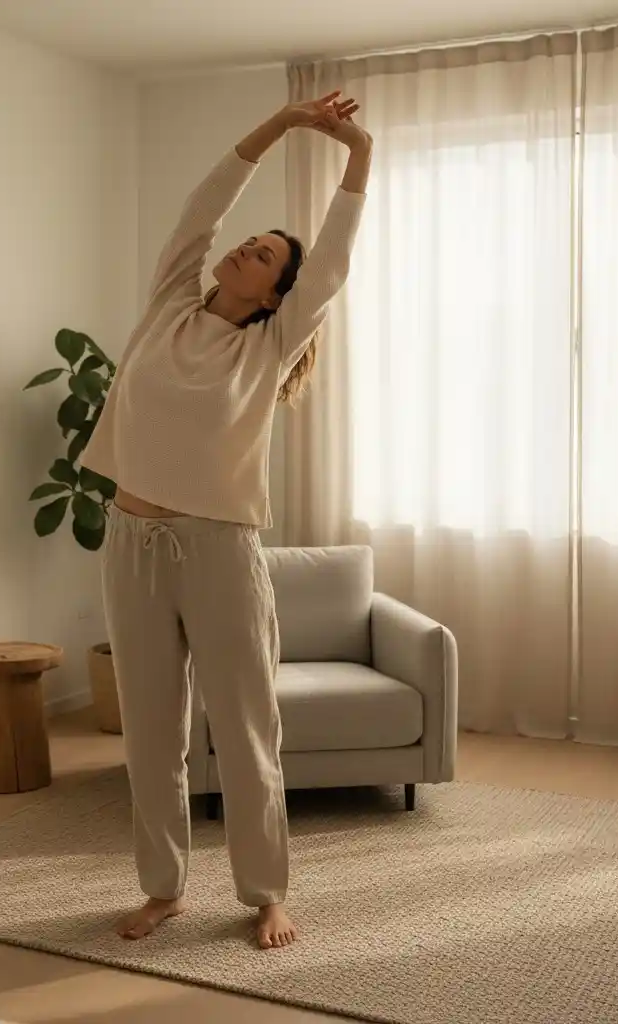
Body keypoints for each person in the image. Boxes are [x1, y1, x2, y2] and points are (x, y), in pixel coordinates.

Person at [79, 91, 372, 950]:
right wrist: (281, 126)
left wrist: (358, 153)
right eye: (250, 241)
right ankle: (163, 889)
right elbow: (203, 206)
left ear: (278, 295)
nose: (246, 247)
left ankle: (266, 892)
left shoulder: (267, 347)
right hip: (131, 543)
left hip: (219, 550)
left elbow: (335, 259)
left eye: (266, 256)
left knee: (245, 729)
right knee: (152, 733)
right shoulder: (169, 305)